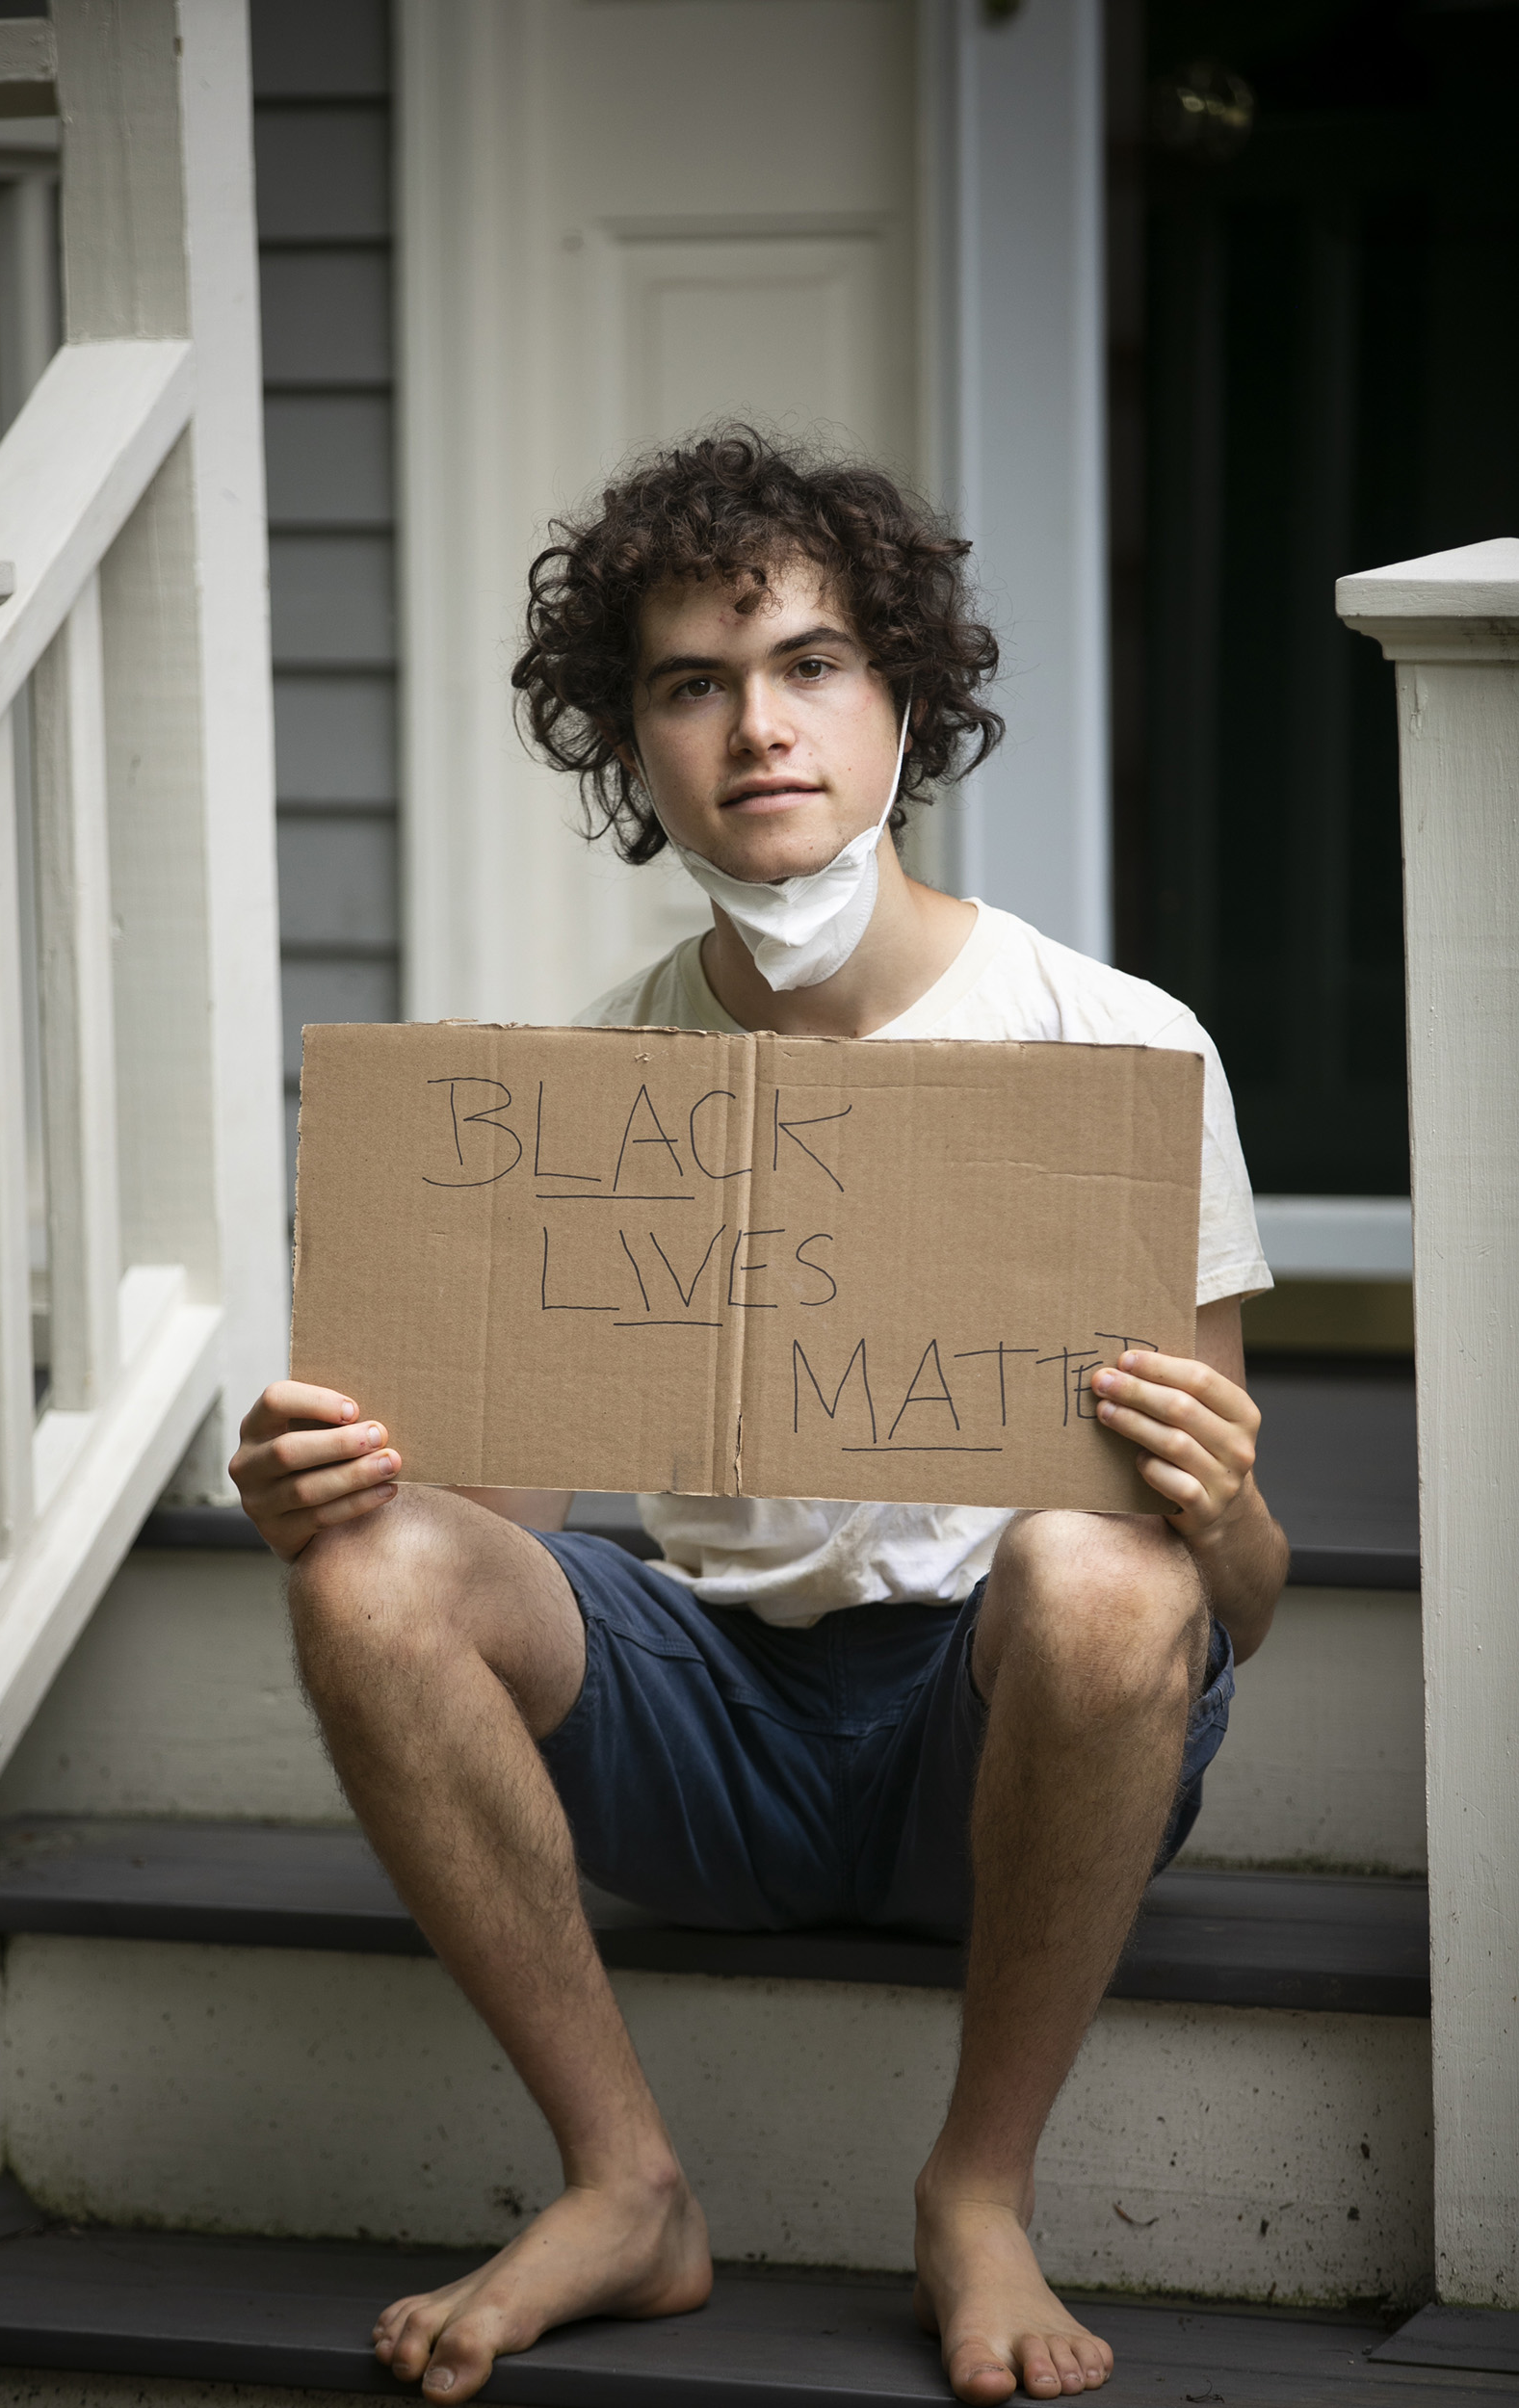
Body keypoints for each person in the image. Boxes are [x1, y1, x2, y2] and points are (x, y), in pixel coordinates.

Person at [230, 431, 1288, 2405]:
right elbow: (501, 1531)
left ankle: (979, 2184)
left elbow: (1252, 1595)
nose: (759, 725)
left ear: (906, 696)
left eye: (810, 664)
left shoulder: (1116, 1049)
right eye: (693, 682)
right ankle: (626, 2181)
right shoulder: (600, 1080)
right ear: (630, 740)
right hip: (716, 1727)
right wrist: (339, 1484)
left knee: (1103, 1567)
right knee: (370, 1565)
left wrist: (1218, 1507)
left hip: (1005, 1743)